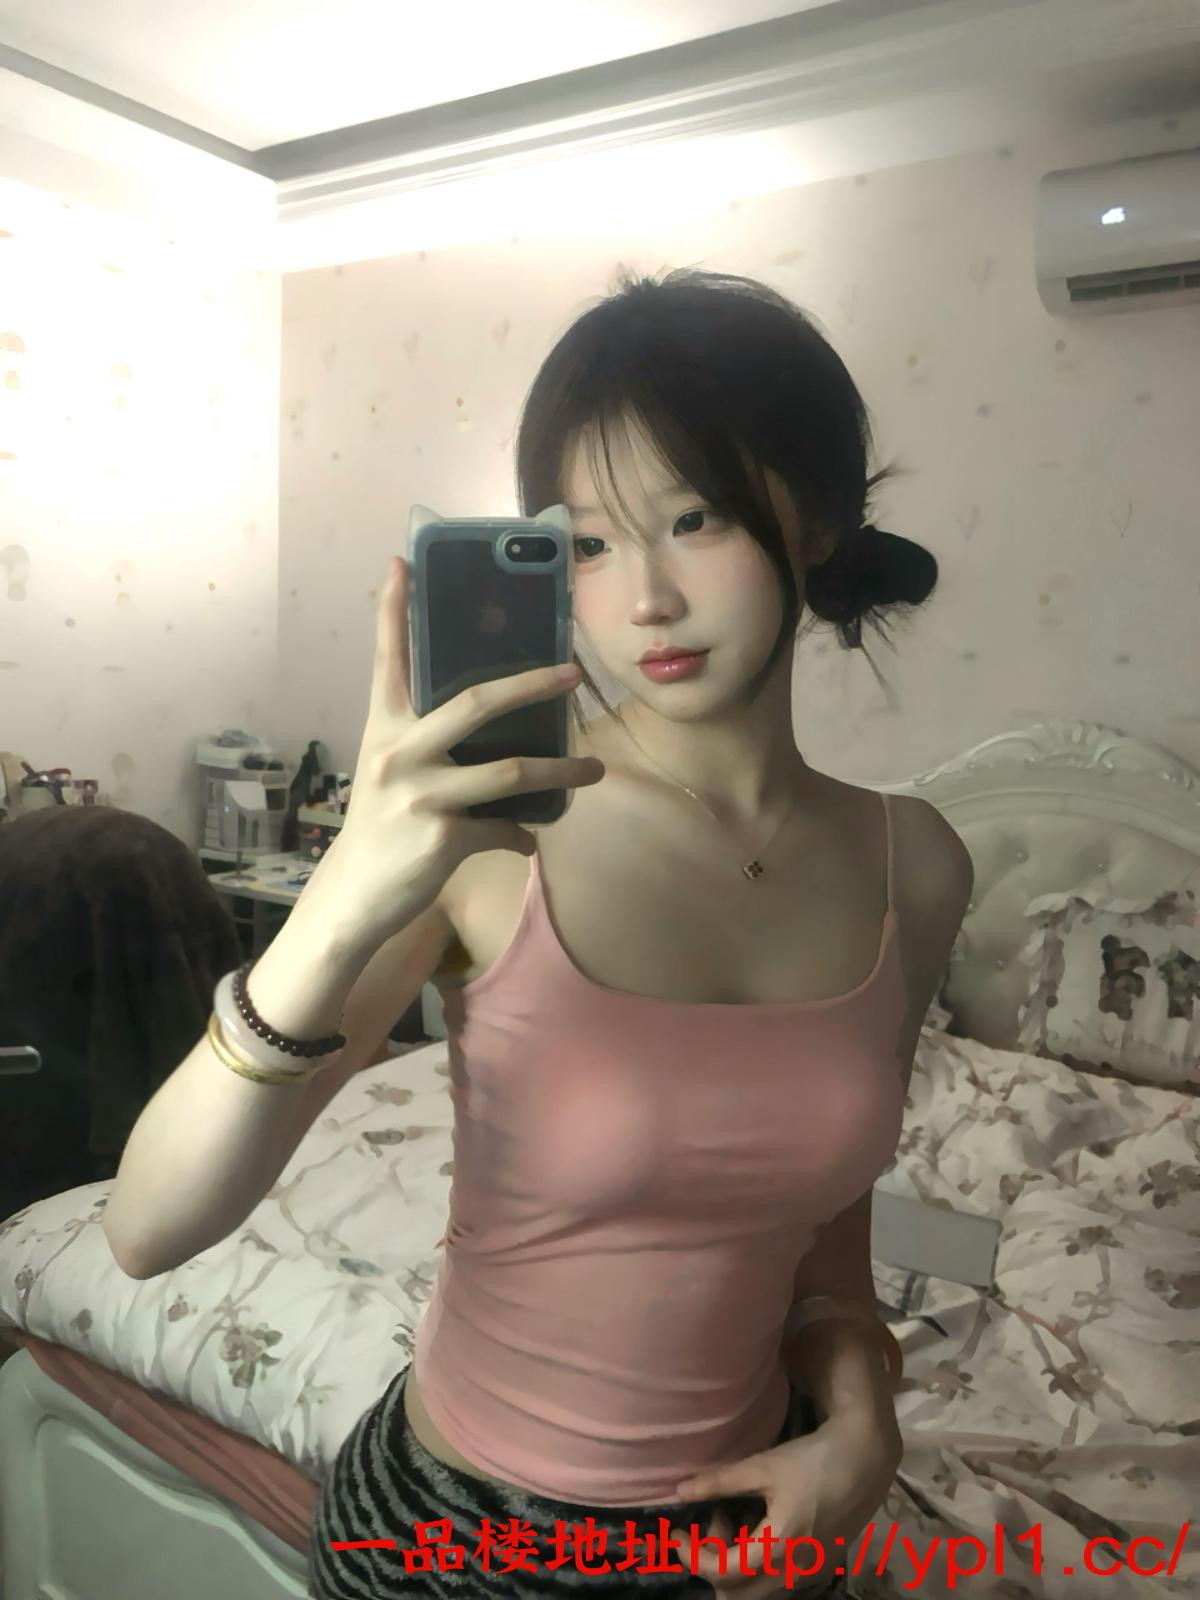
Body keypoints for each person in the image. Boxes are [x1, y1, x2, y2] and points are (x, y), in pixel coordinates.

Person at [104, 267, 973, 1598]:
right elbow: (148, 1229)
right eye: (592, 544)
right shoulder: (491, 837)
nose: (647, 601)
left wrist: (863, 1423)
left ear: (814, 515)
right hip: (458, 1535)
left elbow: (825, 1244)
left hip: (755, 1532)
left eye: (694, 519)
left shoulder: (917, 866)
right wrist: (345, 892)